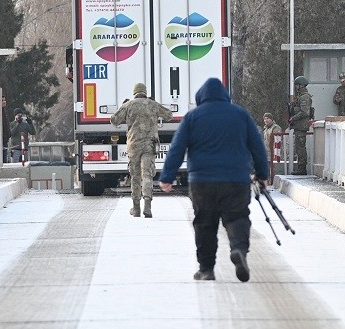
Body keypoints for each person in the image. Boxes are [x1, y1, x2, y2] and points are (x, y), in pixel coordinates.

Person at [159, 78, 269, 283]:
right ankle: (238, 250)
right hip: (235, 180)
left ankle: (206, 269)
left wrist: (167, 176)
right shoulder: (240, 114)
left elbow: (177, 148)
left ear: (201, 97)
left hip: (202, 181)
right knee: (237, 218)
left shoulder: (192, 117)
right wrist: (262, 173)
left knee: (205, 224)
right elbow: (258, 146)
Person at [111, 82, 173, 218]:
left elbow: (114, 120)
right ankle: (148, 206)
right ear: (145, 92)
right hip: (149, 145)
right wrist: (154, 106)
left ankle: (136, 208)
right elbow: (169, 115)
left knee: (135, 176)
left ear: (134, 93)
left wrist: (124, 107)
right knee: (147, 175)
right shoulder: (152, 104)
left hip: (133, 145)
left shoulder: (129, 105)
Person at [288, 76, 312, 175]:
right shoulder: (300, 96)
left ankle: (302, 169)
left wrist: (293, 118)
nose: (296, 87)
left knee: (300, 148)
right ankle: (300, 168)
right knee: (299, 147)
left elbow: (304, 112)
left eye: (297, 85)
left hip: (301, 125)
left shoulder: (304, 97)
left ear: (301, 85)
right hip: (299, 125)